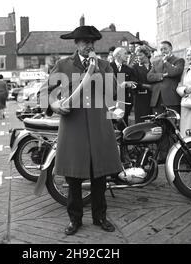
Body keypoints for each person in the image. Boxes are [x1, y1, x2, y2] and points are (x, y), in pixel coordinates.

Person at [42, 25, 122, 236]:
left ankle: (100, 217)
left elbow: (114, 93)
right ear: (76, 44)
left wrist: (99, 72)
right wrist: (55, 104)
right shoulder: (63, 65)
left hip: (98, 127)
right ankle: (74, 220)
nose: (89, 46)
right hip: (73, 128)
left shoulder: (104, 65)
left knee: (99, 178)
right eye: (85, 42)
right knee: (73, 178)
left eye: (92, 42)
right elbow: (47, 92)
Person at [147, 41, 185, 161]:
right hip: (157, 100)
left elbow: (175, 72)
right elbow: (149, 77)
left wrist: (165, 62)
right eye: (161, 49)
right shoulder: (155, 62)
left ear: (171, 48)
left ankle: (176, 156)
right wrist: (162, 75)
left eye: (165, 48)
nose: (163, 51)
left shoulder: (179, 60)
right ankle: (163, 155)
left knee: (173, 129)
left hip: (171, 100)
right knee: (160, 128)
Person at [110, 47, 136, 127]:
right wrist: (122, 85)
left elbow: (134, 83)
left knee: (124, 125)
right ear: (118, 55)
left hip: (125, 101)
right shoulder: (108, 67)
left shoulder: (129, 69)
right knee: (112, 125)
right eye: (125, 53)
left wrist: (131, 85)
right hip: (111, 101)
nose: (127, 56)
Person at [132, 46, 153, 123]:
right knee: (141, 120)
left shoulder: (154, 65)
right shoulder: (135, 67)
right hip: (141, 98)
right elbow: (134, 83)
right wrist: (146, 86)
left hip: (154, 97)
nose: (138, 57)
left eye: (140, 55)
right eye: (137, 55)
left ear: (146, 54)